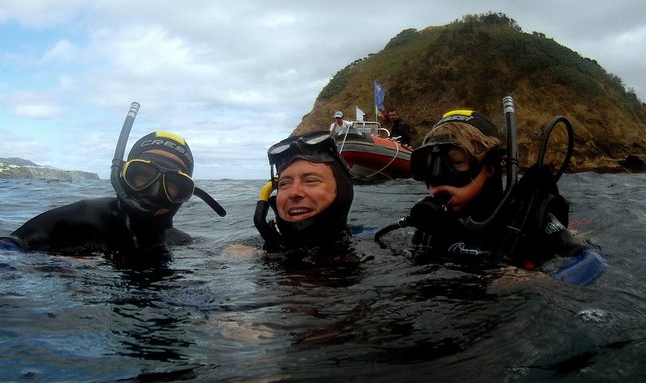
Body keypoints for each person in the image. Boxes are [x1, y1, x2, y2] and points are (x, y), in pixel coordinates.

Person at [381, 109, 605, 285]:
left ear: (489, 167)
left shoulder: (527, 217)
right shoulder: (432, 222)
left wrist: (540, 281)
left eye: (457, 163)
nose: (439, 180)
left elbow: (592, 259)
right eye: (431, 168)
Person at [0, 131, 224, 254]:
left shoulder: (179, 242)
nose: (154, 193)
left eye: (173, 183)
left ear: (185, 193)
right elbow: (5, 251)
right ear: (122, 175)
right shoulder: (78, 218)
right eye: (143, 174)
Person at [253, 132, 354, 254]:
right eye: (284, 183)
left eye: (311, 181)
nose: (294, 193)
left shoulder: (378, 245)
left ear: (342, 188)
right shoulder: (247, 253)